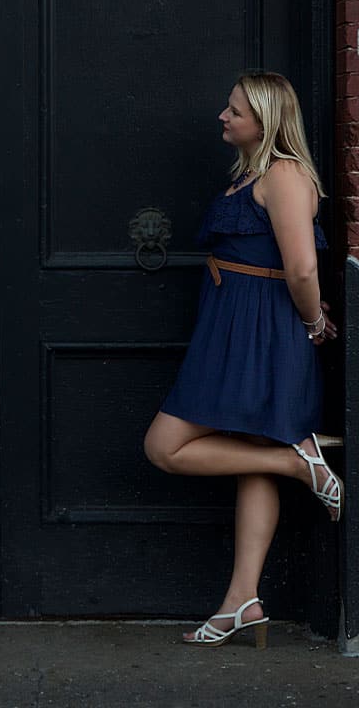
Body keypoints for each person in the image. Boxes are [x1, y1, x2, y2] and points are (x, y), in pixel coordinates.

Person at [144, 71, 341, 649]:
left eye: (234, 110)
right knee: (257, 455)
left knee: (164, 445)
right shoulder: (251, 175)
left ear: (265, 120)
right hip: (233, 329)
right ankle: (243, 600)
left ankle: (298, 464)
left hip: (263, 334)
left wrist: (311, 322)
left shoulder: (284, 175)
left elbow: (302, 268)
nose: (222, 117)